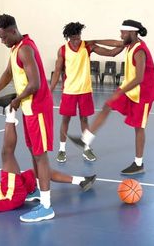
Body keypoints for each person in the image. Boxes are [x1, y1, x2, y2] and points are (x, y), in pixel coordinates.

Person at [0, 14, 56, 222]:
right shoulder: (15, 48)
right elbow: (8, 73)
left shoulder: (25, 48)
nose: (2, 41)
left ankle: (47, 206)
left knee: (40, 155)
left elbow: (35, 84)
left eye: (3, 37)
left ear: (13, 31)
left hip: (38, 108)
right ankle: (40, 192)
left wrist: (17, 100)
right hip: (30, 108)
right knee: (33, 150)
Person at [68, 19, 154, 175]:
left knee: (139, 128)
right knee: (107, 105)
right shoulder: (129, 43)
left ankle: (138, 163)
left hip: (143, 93)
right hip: (130, 88)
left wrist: (120, 92)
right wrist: (94, 42)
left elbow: (140, 77)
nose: (121, 35)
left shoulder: (140, 50)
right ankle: (86, 140)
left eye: (123, 32)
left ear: (132, 32)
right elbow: (113, 46)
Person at [50, 22, 124, 163]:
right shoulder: (62, 50)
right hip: (69, 91)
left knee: (84, 119)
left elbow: (112, 53)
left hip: (85, 90)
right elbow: (57, 72)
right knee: (65, 120)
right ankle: (61, 150)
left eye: (78, 38)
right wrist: (50, 90)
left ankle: (86, 148)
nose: (77, 41)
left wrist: (125, 44)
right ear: (68, 38)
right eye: (73, 39)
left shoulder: (88, 46)